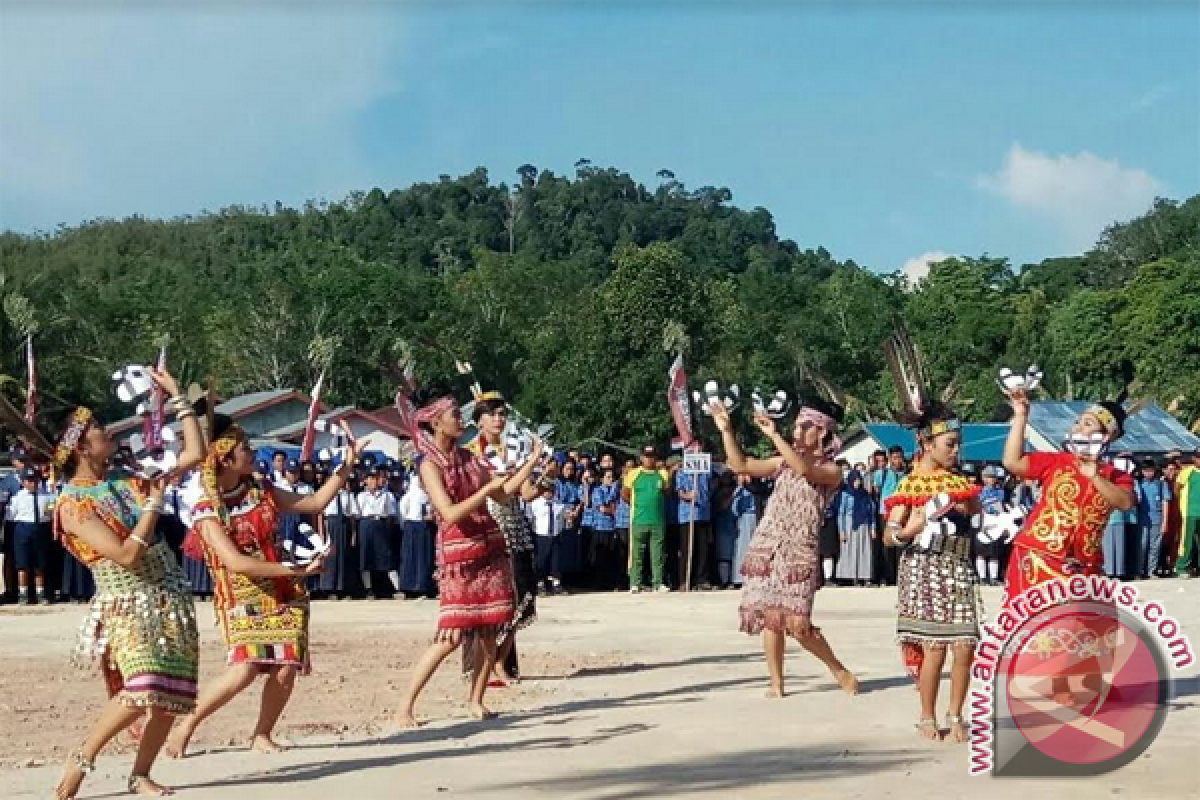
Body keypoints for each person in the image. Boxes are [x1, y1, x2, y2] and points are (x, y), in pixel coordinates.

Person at [45, 369, 206, 799]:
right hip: (126, 599)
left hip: (168, 593)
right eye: (98, 429)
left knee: (171, 693)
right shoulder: (72, 504)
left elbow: (194, 453)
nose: (108, 432)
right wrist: (153, 504)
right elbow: (125, 555)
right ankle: (83, 756)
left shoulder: (126, 480)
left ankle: (140, 774)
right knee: (142, 687)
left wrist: (178, 399)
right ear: (81, 445)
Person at [165, 410, 355, 759]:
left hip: (282, 588)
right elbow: (236, 562)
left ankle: (262, 733)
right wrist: (294, 569)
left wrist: (345, 467)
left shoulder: (260, 490)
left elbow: (313, 503)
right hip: (242, 591)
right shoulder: (207, 509)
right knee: (246, 668)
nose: (253, 453)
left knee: (285, 667)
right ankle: (187, 725)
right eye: (245, 448)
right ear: (224, 457)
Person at [394, 387, 530, 727]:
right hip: (459, 556)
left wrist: (531, 463)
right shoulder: (428, 465)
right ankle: (405, 707)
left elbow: (505, 493)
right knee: (450, 636)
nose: (460, 419)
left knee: (489, 631)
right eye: (454, 414)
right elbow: (449, 512)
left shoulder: (470, 460)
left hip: (490, 549)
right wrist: (485, 490)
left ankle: (476, 700)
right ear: (436, 422)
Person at [710, 395, 858, 700]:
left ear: (823, 433)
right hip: (768, 545)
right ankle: (776, 682)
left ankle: (837, 668)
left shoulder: (832, 470)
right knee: (770, 618)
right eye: (797, 426)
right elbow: (742, 464)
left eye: (805, 427)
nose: (798, 431)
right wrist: (726, 431)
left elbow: (805, 470)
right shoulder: (781, 464)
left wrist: (775, 435)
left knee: (797, 623)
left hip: (799, 551)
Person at [1002, 393, 1135, 707]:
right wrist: (1021, 415)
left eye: (1087, 424)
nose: (1079, 427)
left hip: (1085, 562)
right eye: (1078, 422)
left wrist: (1095, 476)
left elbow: (1125, 502)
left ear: (1107, 436)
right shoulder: (1056, 462)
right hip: (1040, 555)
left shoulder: (1116, 475)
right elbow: (1012, 462)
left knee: (1097, 626)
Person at [884, 404, 981, 743]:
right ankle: (927, 714)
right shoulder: (909, 485)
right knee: (935, 648)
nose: (955, 451)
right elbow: (889, 535)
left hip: (958, 565)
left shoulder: (960, 482)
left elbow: (974, 514)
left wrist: (963, 505)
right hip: (925, 568)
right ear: (927, 444)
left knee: (965, 646)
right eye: (949, 444)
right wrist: (911, 529)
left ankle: (956, 714)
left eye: (957, 445)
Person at [468, 393, 543, 684]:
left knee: (520, 594)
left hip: (514, 524)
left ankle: (502, 661)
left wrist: (543, 475)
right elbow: (502, 490)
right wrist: (531, 461)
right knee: (494, 597)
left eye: (502, 414)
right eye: (492, 415)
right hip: (489, 522)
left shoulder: (512, 450)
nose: (499, 420)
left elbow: (524, 493)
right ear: (479, 421)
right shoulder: (473, 452)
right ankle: (489, 664)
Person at [623, 446, 671, 594]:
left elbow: (667, 491)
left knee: (658, 554)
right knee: (637, 553)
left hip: (658, 520)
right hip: (639, 519)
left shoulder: (662, 474)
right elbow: (625, 494)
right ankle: (635, 583)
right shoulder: (633, 474)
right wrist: (638, 505)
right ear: (641, 458)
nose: (649, 459)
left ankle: (658, 582)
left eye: (652, 456)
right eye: (646, 456)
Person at [6, 466, 56, 605]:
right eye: (28, 481)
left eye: (34, 480)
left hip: (40, 528)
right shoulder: (17, 497)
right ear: (23, 482)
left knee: (39, 564)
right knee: (22, 564)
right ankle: (23, 593)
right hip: (23, 528)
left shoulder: (45, 496)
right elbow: (11, 516)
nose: (32, 483)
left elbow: (50, 514)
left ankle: (40, 593)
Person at [317, 463, 363, 600]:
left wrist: (354, 534)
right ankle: (330, 589)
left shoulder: (347, 495)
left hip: (344, 526)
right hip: (330, 525)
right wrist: (321, 533)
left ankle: (344, 588)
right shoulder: (326, 493)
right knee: (331, 557)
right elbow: (321, 515)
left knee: (344, 557)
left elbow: (354, 516)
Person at [675, 442, 715, 590]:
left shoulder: (706, 469)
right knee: (687, 548)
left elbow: (711, 484)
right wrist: (688, 495)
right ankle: (685, 579)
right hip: (687, 515)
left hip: (704, 513)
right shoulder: (682, 471)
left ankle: (702, 579)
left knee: (703, 548)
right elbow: (679, 491)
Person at [356, 466, 399, 599]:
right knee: (366, 557)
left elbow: (391, 515)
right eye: (371, 478)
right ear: (365, 481)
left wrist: (387, 529)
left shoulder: (387, 495)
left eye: (375, 478)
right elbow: (357, 515)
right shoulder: (360, 496)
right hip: (366, 524)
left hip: (381, 523)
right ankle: (368, 589)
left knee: (386, 556)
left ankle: (398, 588)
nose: (374, 481)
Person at [399, 472, 436, 597]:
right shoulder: (412, 493)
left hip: (426, 527)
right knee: (411, 558)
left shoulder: (430, 493)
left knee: (425, 558)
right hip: (412, 526)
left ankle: (425, 586)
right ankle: (410, 587)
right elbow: (403, 510)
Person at [835, 468, 873, 585]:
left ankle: (864, 576)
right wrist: (841, 530)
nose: (858, 483)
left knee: (863, 549)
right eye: (855, 480)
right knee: (849, 549)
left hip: (863, 523)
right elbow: (841, 513)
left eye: (859, 480)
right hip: (849, 523)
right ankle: (848, 576)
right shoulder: (845, 494)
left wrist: (873, 526)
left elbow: (870, 510)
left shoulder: (865, 494)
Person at [1136, 459, 1171, 580]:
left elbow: (1165, 502)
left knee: (1154, 547)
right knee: (1142, 545)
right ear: (1141, 471)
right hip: (1142, 520)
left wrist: (1165, 521)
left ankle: (1151, 570)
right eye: (1145, 470)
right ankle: (1140, 570)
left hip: (1157, 519)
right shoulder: (1138, 484)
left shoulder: (1161, 484)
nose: (1148, 473)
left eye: (1150, 470)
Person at [975, 466, 1008, 586]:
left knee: (994, 552)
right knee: (981, 552)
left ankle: (993, 577)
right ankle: (982, 577)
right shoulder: (978, 491)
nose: (991, 479)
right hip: (982, 523)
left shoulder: (1000, 492)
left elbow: (1002, 508)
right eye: (988, 477)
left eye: (993, 477)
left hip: (996, 523)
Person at [588, 468, 620, 590]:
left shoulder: (615, 490)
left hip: (612, 527)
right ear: (601, 478)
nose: (610, 479)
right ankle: (598, 583)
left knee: (610, 556)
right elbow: (602, 508)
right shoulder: (597, 491)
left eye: (612, 477)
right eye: (608, 477)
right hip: (600, 527)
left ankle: (610, 582)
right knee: (599, 556)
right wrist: (612, 509)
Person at [730, 474, 759, 588]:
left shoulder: (754, 488)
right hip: (744, 518)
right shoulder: (738, 491)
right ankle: (740, 578)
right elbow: (734, 508)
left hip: (755, 517)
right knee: (743, 548)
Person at [1174, 450, 1200, 578]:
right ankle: (1181, 567)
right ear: (1194, 458)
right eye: (1198, 458)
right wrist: (1182, 503)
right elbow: (1177, 487)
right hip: (1190, 512)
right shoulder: (1187, 472)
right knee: (1187, 541)